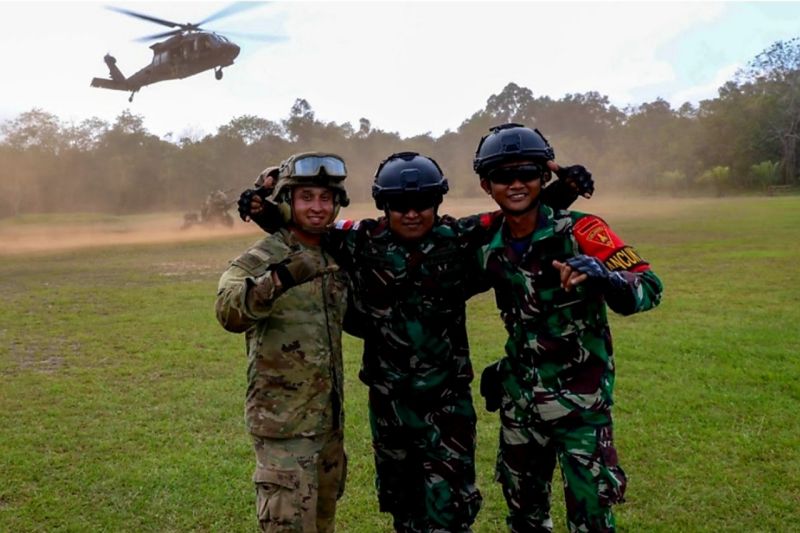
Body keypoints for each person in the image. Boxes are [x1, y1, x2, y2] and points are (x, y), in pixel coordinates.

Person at [239, 152, 593, 532]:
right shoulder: (360, 241)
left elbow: (517, 219)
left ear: (437, 203)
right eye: (399, 205)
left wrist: (566, 189)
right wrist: (262, 208)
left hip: (447, 408)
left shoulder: (459, 239)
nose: (412, 213)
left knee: (450, 514)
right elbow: (309, 228)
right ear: (383, 205)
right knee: (404, 511)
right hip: (389, 407)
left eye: (422, 203)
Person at [472, 123, 664, 533]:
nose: (517, 184)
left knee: (592, 519)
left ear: (544, 175)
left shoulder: (582, 230)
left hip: (581, 408)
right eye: (504, 176)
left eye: (528, 173)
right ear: (487, 185)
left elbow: (649, 287)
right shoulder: (487, 241)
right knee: (524, 517)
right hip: (520, 405)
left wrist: (607, 279)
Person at [215, 152, 351, 533]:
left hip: (327, 430)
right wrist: (277, 281)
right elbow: (227, 310)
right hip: (283, 433)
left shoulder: (334, 257)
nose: (318, 207)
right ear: (289, 201)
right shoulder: (262, 257)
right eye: (306, 197)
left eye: (326, 198)